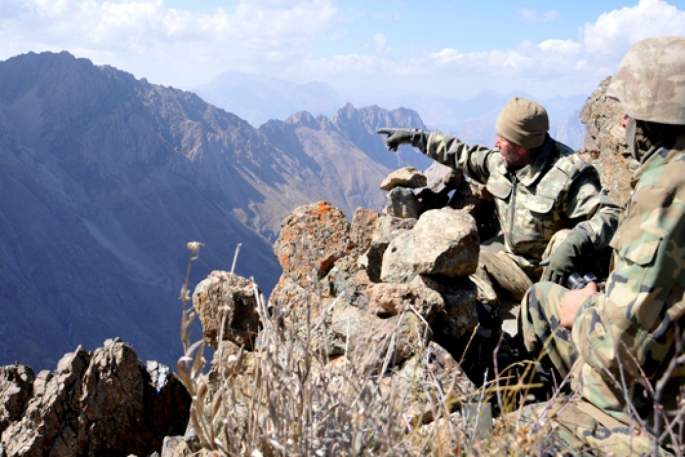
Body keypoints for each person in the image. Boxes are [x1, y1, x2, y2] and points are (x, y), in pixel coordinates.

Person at [518, 36, 685, 454]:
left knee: (540, 304)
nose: (621, 126)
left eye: (629, 115)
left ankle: (552, 417)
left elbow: (616, 349)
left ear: (650, 121)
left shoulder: (666, 192)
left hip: (667, 411)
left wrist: (586, 307)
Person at [377, 97, 619, 301]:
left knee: (564, 238)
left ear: (522, 146)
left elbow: (610, 215)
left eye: (503, 139)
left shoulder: (569, 175)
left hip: (559, 280)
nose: (496, 143)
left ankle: (550, 320)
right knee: (470, 264)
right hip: (518, 269)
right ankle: (488, 328)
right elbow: (462, 155)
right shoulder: (503, 164)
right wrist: (416, 138)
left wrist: (576, 242)